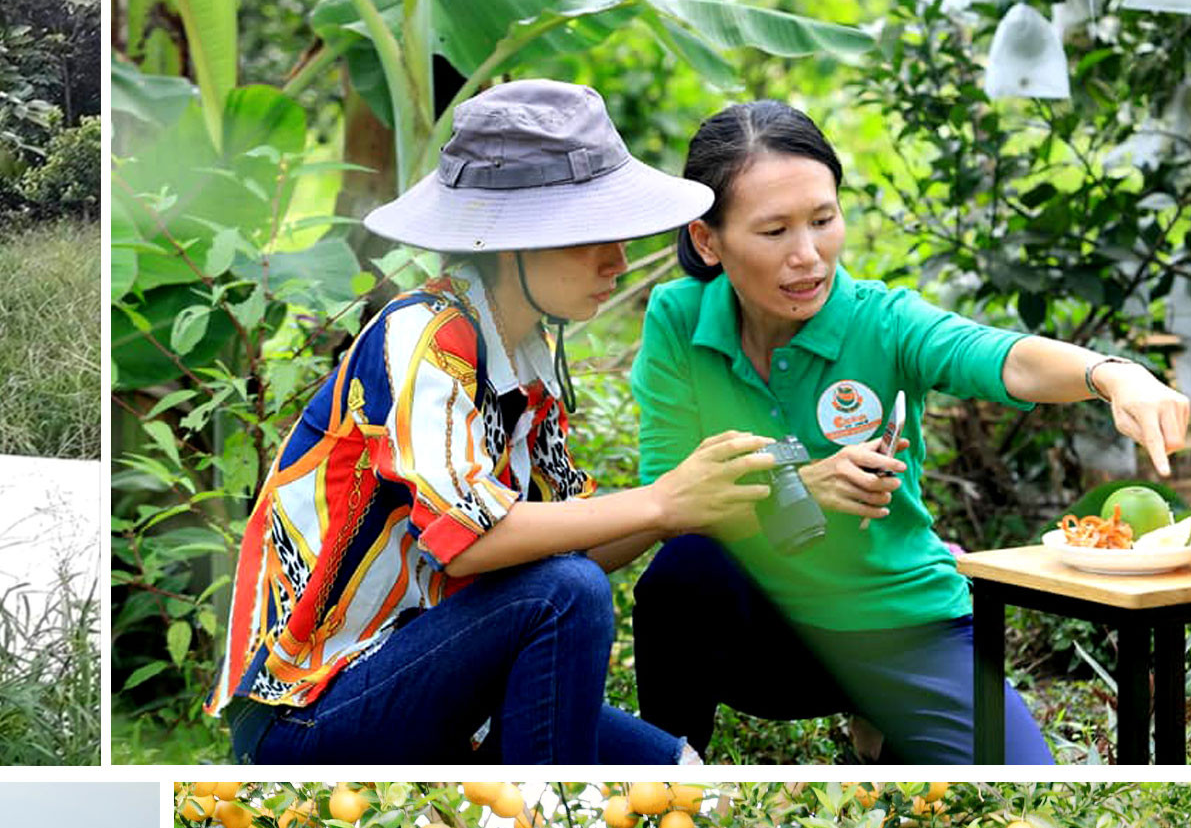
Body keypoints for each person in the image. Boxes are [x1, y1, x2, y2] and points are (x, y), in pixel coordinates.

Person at [208, 80, 789, 765]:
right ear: (509, 240)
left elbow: (562, 543)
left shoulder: (524, 360)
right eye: (590, 239)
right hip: (305, 712)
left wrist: (690, 511)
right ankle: (537, 823)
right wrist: (661, 499)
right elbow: (471, 545)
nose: (618, 262)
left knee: (678, 769)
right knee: (564, 593)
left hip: (426, 679)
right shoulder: (423, 336)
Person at [631, 101, 1191, 764]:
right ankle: (668, 774)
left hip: (902, 622)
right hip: (768, 635)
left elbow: (998, 356)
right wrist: (799, 486)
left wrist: (1112, 375)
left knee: (1018, 784)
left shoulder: (884, 320)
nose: (806, 256)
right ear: (707, 240)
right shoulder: (677, 319)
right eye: (773, 231)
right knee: (682, 575)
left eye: (822, 220)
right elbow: (669, 498)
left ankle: (884, 722)